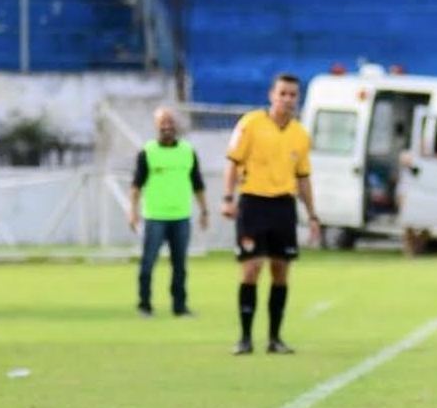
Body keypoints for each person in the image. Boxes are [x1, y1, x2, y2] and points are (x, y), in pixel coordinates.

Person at [221, 73, 321, 355]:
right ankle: (244, 337)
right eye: (283, 94)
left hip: (283, 206)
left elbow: (303, 177)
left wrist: (312, 215)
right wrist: (228, 198)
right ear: (271, 95)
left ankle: (275, 338)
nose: (288, 99)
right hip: (253, 203)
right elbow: (232, 162)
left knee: (281, 271)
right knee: (252, 268)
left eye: (292, 95)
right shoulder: (251, 124)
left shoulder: (300, 134)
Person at [128, 107, 209, 316]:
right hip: (155, 216)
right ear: (156, 125)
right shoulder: (147, 152)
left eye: (170, 122)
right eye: (163, 122)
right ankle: (144, 305)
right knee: (148, 263)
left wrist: (204, 211)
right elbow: (136, 185)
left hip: (181, 216)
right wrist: (133, 211)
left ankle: (179, 307)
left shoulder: (187, 152)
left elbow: (197, 183)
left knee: (180, 266)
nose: (167, 126)